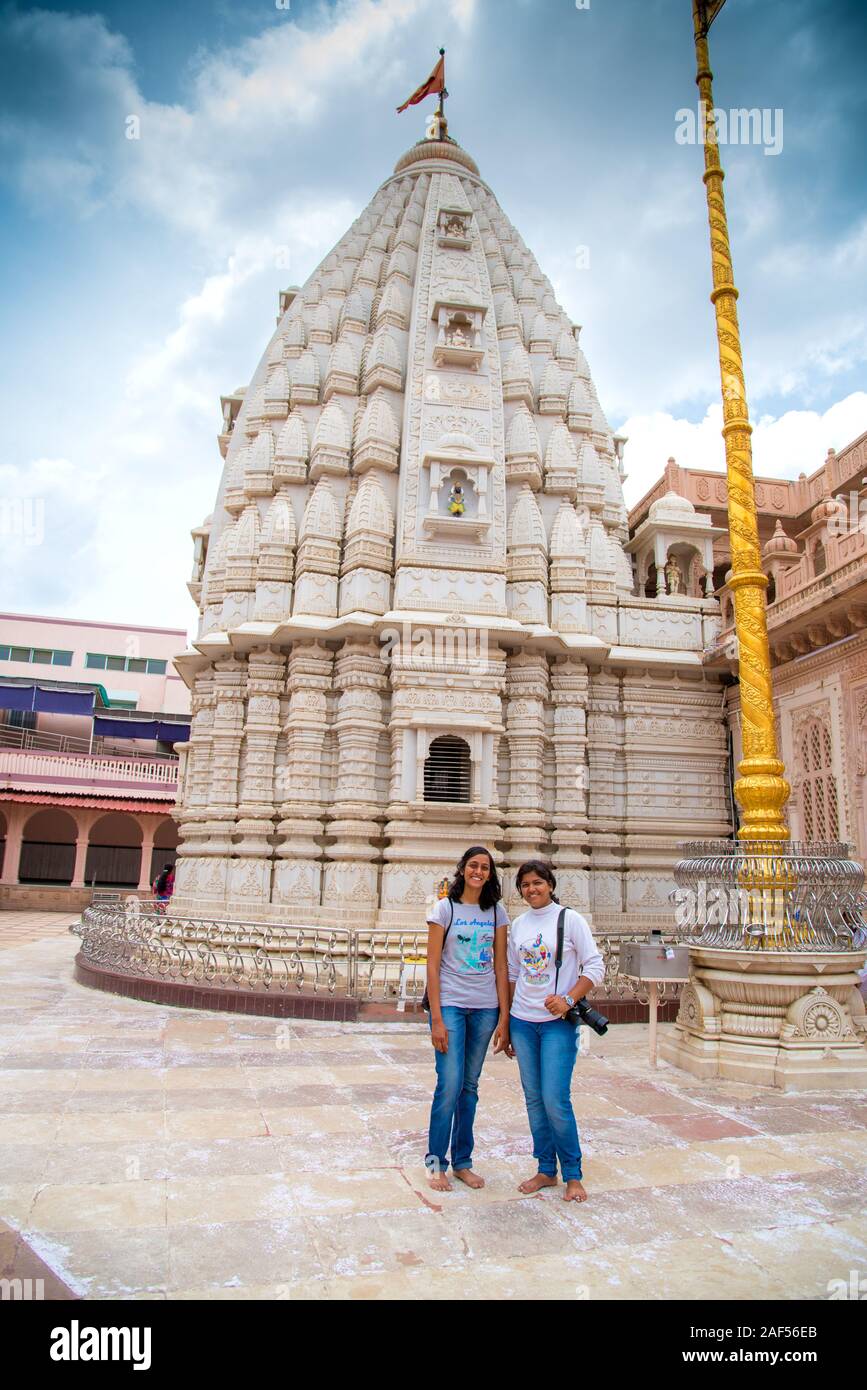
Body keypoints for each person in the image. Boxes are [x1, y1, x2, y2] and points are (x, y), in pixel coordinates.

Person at [506, 859, 605, 1203]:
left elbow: (595, 965)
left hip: (557, 1025)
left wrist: (568, 999)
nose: (531, 889)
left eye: (537, 882)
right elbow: (513, 974)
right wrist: (505, 1023)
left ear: (550, 884)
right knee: (534, 1100)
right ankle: (546, 1168)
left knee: (555, 1098)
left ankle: (573, 1173)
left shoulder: (570, 919)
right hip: (522, 1021)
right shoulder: (518, 925)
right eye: (525, 885)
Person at [425, 845, 510, 1192]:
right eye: (473, 866)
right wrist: (437, 1019)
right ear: (463, 869)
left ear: (490, 874)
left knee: (470, 1087)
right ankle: (435, 1164)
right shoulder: (444, 908)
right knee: (448, 1085)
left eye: (485, 867)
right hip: (452, 1006)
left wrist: (504, 1017)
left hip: (485, 1007)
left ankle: (462, 1161)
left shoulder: (496, 913)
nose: (478, 872)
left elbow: (501, 965)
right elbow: (432, 965)